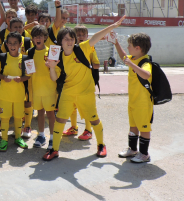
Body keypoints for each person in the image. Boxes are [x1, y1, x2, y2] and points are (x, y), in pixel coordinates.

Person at [43, 16, 126, 161]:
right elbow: (54, 78)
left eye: (72, 38)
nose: (69, 41)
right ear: (60, 42)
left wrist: (112, 26)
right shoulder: (57, 56)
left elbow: (97, 36)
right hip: (68, 92)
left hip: (86, 92)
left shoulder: (82, 48)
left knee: (94, 120)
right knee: (60, 120)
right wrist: (51, 67)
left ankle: (101, 145)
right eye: (66, 39)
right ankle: (54, 149)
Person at [114, 33, 153, 163]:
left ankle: (144, 154)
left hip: (143, 103)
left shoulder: (145, 62)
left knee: (144, 128)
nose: (127, 47)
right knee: (133, 126)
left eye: (129, 46)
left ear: (138, 48)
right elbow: (123, 56)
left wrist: (131, 64)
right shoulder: (134, 58)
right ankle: (132, 149)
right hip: (133, 101)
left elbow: (146, 75)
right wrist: (116, 43)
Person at [62, 25, 101, 140]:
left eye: (83, 34)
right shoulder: (70, 49)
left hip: (85, 83)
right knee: (72, 107)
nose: (81, 37)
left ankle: (88, 130)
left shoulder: (90, 48)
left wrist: (85, 65)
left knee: (86, 108)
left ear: (87, 36)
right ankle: (74, 127)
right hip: (73, 83)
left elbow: (97, 64)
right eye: (78, 35)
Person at [0, 32, 30, 151]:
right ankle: (4, 139)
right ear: (6, 44)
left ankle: (18, 137)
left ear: (20, 44)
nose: (12, 45)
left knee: (18, 117)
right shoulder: (2, 57)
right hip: (5, 95)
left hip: (19, 95)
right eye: (10, 43)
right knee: (4, 118)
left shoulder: (25, 58)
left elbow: (29, 75)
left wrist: (21, 79)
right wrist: (3, 77)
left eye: (15, 43)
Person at [28, 25, 57, 149]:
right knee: (39, 113)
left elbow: (56, 71)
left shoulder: (52, 51)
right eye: (35, 37)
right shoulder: (30, 52)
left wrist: (51, 66)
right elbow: (28, 70)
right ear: (32, 39)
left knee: (50, 114)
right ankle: (41, 135)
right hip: (36, 89)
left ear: (45, 37)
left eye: (40, 36)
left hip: (49, 89)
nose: (37, 39)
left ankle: (52, 138)